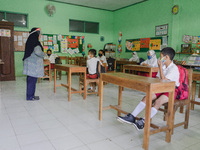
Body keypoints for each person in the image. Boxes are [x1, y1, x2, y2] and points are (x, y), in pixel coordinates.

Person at [117, 47, 180, 131]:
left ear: (167, 57)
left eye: (161, 56)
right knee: (146, 98)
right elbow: (158, 78)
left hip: (171, 90)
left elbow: (165, 80)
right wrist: (161, 69)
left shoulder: (173, 68)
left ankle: (143, 121)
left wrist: (160, 67)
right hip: (161, 87)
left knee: (158, 102)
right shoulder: (164, 66)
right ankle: (132, 116)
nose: (160, 58)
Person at [23, 28, 45, 101]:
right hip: (33, 66)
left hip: (30, 65)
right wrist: (44, 54)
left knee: (31, 81)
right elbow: (38, 52)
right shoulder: (35, 42)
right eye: (39, 34)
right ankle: (30, 97)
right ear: (36, 34)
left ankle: (31, 96)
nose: (40, 35)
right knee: (32, 81)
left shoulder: (30, 41)